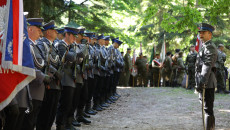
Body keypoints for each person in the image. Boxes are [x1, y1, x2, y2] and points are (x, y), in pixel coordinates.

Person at [21, 18, 51, 130]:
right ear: (30, 29)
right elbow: (28, 66)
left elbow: (42, 64)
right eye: (38, 30)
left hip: (38, 89)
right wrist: (43, 76)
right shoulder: (26, 45)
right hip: (31, 89)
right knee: (27, 123)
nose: (41, 33)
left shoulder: (36, 46)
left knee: (33, 121)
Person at [36, 20, 62, 130]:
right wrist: (55, 72)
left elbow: (57, 62)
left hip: (55, 84)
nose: (57, 32)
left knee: (52, 113)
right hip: (48, 83)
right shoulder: (42, 44)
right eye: (54, 31)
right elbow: (43, 62)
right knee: (45, 114)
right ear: (48, 32)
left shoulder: (54, 46)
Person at [55, 27, 81, 130]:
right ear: (67, 35)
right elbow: (71, 59)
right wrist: (75, 57)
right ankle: (60, 125)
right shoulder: (61, 45)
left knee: (69, 103)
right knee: (64, 104)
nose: (74, 39)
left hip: (70, 78)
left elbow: (76, 60)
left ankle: (66, 123)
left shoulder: (70, 47)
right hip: (64, 78)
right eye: (73, 36)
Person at [195, 23, 217, 130]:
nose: (201, 34)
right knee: (205, 108)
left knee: (208, 109)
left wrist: (202, 82)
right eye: (200, 32)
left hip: (207, 82)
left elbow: (207, 65)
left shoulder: (210, 47)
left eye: (203, 32)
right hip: (203, 81)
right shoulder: (204, 46)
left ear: (210, 34)